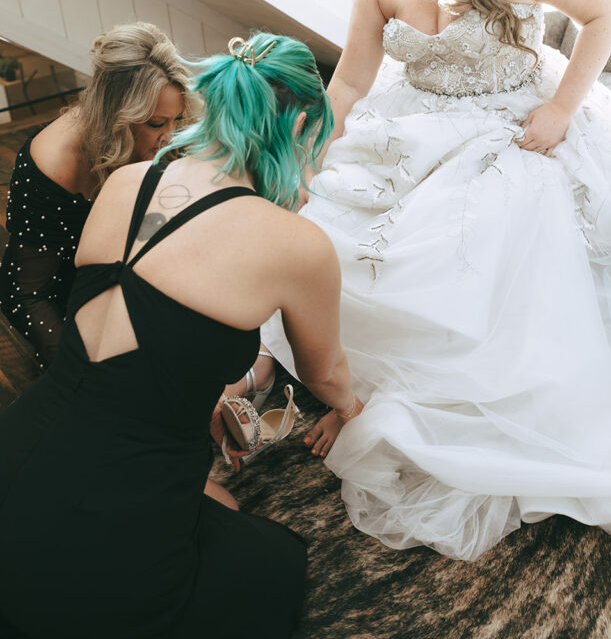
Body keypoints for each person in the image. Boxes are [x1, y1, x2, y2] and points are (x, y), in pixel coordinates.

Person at [262, 0, 611, 561]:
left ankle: (442, 410)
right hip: (410, 125)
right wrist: (309, 167)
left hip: (513, 123)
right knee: (328, 236)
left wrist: (558, 112)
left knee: (484, 236)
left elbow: (600, 16)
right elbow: (354, 82)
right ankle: (350, 393)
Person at [0, 31, 361, 638]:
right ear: (300, 126)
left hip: (22, 445)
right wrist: (352, 405)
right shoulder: (297, 244)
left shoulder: (125, 181)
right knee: (266, 565)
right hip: (117, 492)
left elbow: (137, 333)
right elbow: (324, 373)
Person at [0, 22, 195, 367]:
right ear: (117, 116)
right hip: (67, 301)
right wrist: (76, 371)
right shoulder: (55, 164)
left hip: (129, 281)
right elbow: (27, 295)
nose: (171, 138)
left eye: (176, 121)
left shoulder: (163, 136)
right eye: (155, 124)